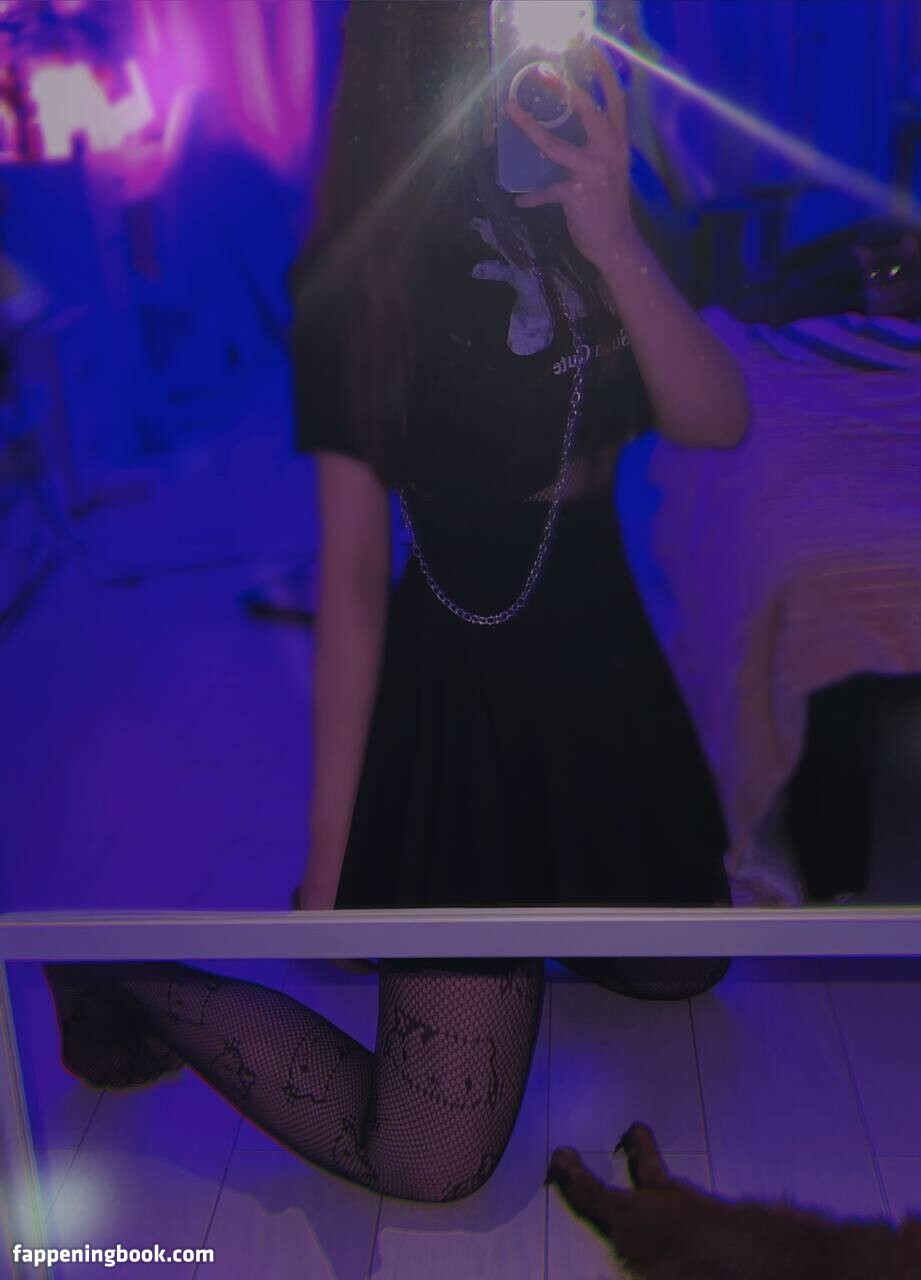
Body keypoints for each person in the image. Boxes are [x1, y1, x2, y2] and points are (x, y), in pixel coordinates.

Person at [45, 1, 749, 1206]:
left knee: (683, 968)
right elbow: (354, 572)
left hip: (604, 660)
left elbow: (716, 416)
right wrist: (333, 860)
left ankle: (524, 913)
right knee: (429, 1156)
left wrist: (614, 232)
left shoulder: (590, 180)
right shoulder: (363, 265)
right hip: (465, 678)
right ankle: (125, 976)